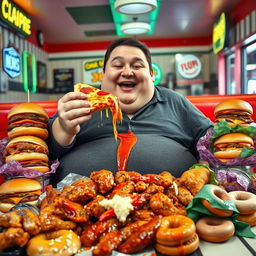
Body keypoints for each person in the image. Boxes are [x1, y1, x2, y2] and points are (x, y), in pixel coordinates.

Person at [47, 38, 213, 186]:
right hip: (76, 208)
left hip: (174, 207)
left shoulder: (174, 101)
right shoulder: (82, 102)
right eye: (118, 65)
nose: (127, 72)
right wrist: (65, 127)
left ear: (151, 75)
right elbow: (46, 152)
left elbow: (212, 143)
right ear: (103, 74)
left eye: (137, 66)